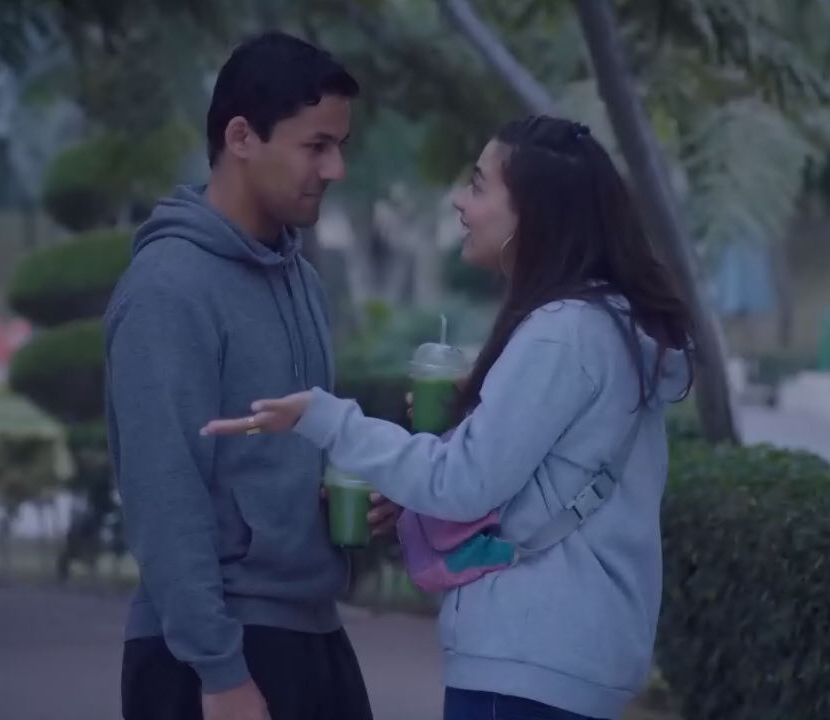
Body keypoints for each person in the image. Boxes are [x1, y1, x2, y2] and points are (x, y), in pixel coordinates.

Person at [201, 115, 697, 720]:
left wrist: (329, 420)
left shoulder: (561, 333)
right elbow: (528, 481)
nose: (461, 202)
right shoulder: (607, 324)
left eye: (479, 186)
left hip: (526, 666)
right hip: (568, 659)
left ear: (534, 214)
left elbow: (460, 483)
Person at [106, 31, 396, 720]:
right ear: (240, 137)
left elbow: (287, 455)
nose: (335, 169)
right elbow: (163, 493)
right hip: (211, 655)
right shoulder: (168, 288)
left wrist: (352, 494)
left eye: (340, 146)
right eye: (315, 146)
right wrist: (219, 671)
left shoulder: (301, 278)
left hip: (312, 631)